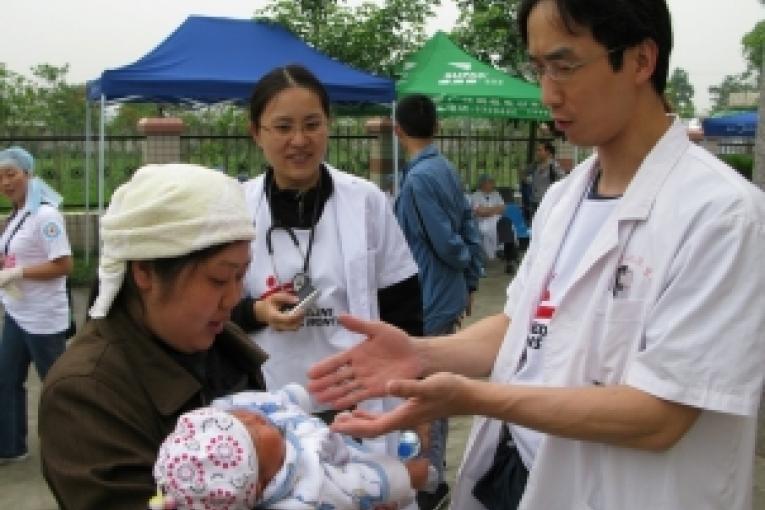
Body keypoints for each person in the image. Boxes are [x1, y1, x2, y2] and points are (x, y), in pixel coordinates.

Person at [307, 1, 765, 509]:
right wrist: (423, 353)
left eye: (565, 66)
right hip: (519, 472)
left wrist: (472, 396)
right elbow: (520, 324)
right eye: (539, 68)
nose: (548, 92)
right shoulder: (566, 196)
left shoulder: (721, 214)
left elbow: (659, 417)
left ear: (641, 60)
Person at [229, 65, 432, 506]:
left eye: (311, 125)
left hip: (363, 401)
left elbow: (404, 309)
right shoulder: (235, 208)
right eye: (282, 127)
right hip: (273, 409)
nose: (298, 140)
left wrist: (416, 403)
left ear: (329, 126)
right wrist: (255, 313)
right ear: (255, 133)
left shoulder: (366, 202)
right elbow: (212, 312)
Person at [39, 164, 268, 509]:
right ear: (145, 271)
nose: (234, 298)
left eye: (242, 275)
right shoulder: (85, 392)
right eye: (220, 279)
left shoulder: (221, 346)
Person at [393, 93, 483, 506]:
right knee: (432, 390)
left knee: (425, 393)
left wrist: (463, 267)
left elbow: (445, 240)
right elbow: (466, 223)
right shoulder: (442, 168)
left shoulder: (416, 180)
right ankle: (432, 475)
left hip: (429, 295)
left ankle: (430, 479)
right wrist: (470, 277)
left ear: (398, 130)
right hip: (445, 292)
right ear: (437, 127)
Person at [151, 384, 432, 510]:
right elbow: (358, 485)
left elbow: (260, 404)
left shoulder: (246, 420)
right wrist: (407, 476)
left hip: (317, 430)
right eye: (254, 433)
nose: (253, 418)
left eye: (239, 419)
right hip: (348, 461)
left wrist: (293, 398)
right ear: (260, 485)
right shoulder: (307, 493)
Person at [0, 146, 72, 465]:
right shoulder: (17, 215)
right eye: (0, 176)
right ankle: (11, 446)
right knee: (6, 379)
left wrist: (18, 272)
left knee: (58, 386)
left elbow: (64, 265)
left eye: (11, 174)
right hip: (17, 312)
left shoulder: (45, 215)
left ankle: (77, 444)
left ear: (28, 174)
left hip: (44, 319)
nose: (5, 182)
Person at [523, 140, 564, 220]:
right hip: (534, 202)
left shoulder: (554, 166)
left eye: (540, 150)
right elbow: (531, 178)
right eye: (537, 150)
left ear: (547, 152)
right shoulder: (536, 165)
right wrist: (526, 179)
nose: (537, 152)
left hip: (547, 203)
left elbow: (563, 180)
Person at [470, 174, 506, 261]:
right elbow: (480, 212)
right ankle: (496, 251)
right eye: (490, 182)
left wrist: (487, 210)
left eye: (493, 182)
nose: (493, 184)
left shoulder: (496, 194)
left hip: (497, 219)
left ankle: (498, 251)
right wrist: (494, 209)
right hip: (482, 221)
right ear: (483, 184)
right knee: (486, 230)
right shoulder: (475, 195)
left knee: (504, 225)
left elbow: (502, 209)